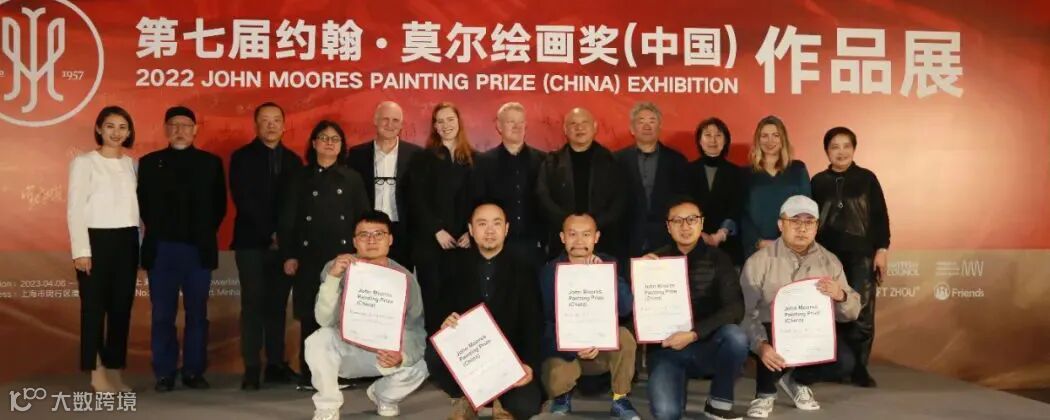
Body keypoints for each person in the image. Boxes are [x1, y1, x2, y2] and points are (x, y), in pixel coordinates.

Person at [740, 195, 861, 418]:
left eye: (809, 222)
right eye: (795, 221)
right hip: (770, 330)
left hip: (811, 332)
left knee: (846, 362)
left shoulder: (830, 261)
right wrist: (760, 345)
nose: (802, 228)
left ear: (817, 226)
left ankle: (795, 379)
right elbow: (745, 313)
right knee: (769, 337)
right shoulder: (758, 261)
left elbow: (851, 313)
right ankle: (765, 394)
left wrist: (841, 295)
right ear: (780, 224)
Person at [305, 211, 429, 420]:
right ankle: (327, 406)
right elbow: (324, 320)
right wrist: (333, 277)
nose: (371, 240)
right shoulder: (337, 267)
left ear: (390, 239)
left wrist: (402, 356)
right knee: (318, 340)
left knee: (424, 362)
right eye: (364, 235)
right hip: (347, 349)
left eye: (379, 234)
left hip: (383, 354)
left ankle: (384, 395)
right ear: (354, 241)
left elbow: (415, 327)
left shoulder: (405, 278)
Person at [425, 202, 542, 420]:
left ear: (506, 229)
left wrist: (528, 364)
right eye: (482, 224)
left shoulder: (524, 269)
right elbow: (437, 310)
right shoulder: (452, 266)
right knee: (433, 353)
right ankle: (465, 397)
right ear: (470, 229)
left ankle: (495, 399)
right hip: (470, 361)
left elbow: (534, 325)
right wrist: (444, 322)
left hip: (509, 361)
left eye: (496, 224)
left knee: (525, 406)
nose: (489, 230)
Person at [138, 105, 227, 392]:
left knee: (197, 313)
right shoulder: (149, 163)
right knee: (162, 314)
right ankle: (164, 372)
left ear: (195, 130)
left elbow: (219, 206)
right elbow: (143, 205)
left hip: (198, 250)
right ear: (166, 129)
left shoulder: (211, 163)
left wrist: (201, 232)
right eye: (174, 125)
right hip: (161, 249)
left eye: (186, 125)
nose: (180, 130)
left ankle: (193, 370)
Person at [279, 120, 370, 391]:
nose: (329, 143)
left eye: (335, 139)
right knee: (311, 315)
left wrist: (364, 254)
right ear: (314, 143)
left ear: (342, 146)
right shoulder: (300, 177)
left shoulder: (352, 178)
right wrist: (289, 255)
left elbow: (363, 218)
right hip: (309, 256)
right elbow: (288, 220)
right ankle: (310, 374)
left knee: (342, 315)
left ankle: (341, 373)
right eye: (324, 138)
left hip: (344, 256)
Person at [644, 197, 748, 420]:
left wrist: (693, 334)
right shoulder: (654, 262)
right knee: (666, 414)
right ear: (668, 227)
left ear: (701, 223)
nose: (685, 226)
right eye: (677, 221)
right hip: (666, 349)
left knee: (736, 338)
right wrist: (641, 276)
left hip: (706, 345)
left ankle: (718, 402)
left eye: (691, 219)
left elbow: (735, 308)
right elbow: (634, 312)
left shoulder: (719, 259)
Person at [229, 102, 303, 390]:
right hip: (250, 243)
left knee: (277, 306)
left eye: (276, 120)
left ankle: (275, 364)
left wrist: (283, 237)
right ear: (256, 125)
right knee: (252, 305)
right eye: (265, 120)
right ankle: (251, 367)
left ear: (284, 126)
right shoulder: (241, 158)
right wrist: (270, 233)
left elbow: (295, 206)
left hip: (284, 248)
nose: (271, 125)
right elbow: (243, 200)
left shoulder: (294, 161)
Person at [67, 106, 140, 393]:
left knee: (121, 309)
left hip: (127, 241)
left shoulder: (132, 164)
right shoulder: (85, 162)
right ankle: (96, 372)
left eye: (122, 127)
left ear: (129, 132)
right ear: (99, 129)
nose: (116, 132)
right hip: (95, 241)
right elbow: (75, 209)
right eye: (110, 126)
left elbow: (136, 209)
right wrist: (81, 251)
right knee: (94, 309)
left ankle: (114, 370)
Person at [539, 213, 640, 420]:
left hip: (600, 349)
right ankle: (561, 397)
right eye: (572, 234)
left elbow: (625, 308)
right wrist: (573, 344)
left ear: (596, 237)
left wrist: (605, 275)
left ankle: (620, 398)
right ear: (562, 237)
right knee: (554, 371)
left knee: (625, 337)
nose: (579, 241)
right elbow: (545, 322)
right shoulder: (549, 272)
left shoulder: (608, 264)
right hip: (565, 351)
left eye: (586, 234)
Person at [810, 127, 890, 387]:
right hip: (825, 256)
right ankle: (830, 364)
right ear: (826, 151)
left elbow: (880, 216)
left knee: (861, 312)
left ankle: (860, 368)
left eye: (846, 146)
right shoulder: (817, 181)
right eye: (835, 146)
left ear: (854, 149)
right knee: (828, 309)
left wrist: (882, 250)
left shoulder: (867, 178)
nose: (841, 151)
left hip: (861, 255)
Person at [409, 102, 478, 334]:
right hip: (432, 246)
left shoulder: (475, 160)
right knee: (434, 301)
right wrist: (436, 230)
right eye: (440, 121)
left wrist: (471, 232)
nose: (446, 125)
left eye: (450, 119)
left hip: (465, 245)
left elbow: (481, 200)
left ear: (459, 122)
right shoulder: (422, 159)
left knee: (465, 302)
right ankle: (434, 352)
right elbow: (415, 200)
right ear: (435, 127)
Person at [537, 107, 626, 261]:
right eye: (573, 124)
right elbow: (543, 196)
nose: (579, 128)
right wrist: (568, 225)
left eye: (585, 123)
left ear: (595, 127)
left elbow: (619, 200)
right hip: (563, 242)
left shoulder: (611, 160)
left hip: (603, 240)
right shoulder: (552, 162)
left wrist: (592, 226)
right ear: (565, 129)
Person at [346, 101, 424, 271]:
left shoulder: (416, 155)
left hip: (403, 232)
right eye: (385, 119)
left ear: (402, 125)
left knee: (400, 280)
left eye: (395, 120)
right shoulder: (357, 154)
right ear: (375, 120)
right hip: (368, 231)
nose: (390, 125)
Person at [473, 102, 546, 267]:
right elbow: (478, 202)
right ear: (499, 126)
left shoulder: (544, 161)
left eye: (521, 122)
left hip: (535, 245)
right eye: (511, 122)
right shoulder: (483, 162)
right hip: (497, 245)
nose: (517, 126)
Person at [614, 102, 689, 258]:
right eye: (641, 121)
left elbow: (683, 200)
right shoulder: (617, 160)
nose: (647, 126)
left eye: (652, 121)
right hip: (626, 239)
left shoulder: (677, 160)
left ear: (660, 126)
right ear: (632, 129)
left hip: (667, 240)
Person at [740, 116, 810, 258]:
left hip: (792, 248)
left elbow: (806, 209)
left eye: (775, 135)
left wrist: (791, 241)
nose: (770, 141)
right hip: (757, 249)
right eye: (764, 136)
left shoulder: (798, 169)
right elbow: (742, 214)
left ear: (783, 139)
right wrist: (758, 242)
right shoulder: (745, 173)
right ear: (758, 140)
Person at [686, 117, 746, 265]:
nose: (713, 140)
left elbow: (737, 207)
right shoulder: (686, 171)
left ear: (725, 141)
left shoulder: (737, 173)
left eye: (718, 135)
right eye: (707, 135)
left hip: (728, 246)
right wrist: (699, 234)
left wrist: (721, 234)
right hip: (693, 243)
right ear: (700, 141)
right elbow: (683, 205)